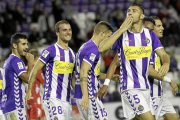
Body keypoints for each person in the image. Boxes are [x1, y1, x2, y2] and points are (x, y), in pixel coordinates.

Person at [96, 5, 170, 120]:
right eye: (128, 11)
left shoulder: (150, 35)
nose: (130, 13)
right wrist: (121, 29)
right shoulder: (122, 35)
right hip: (129, 88)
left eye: (134, 11)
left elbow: (164, 55)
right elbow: (101, 48)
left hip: (146, 88)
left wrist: (166, 63)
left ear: (142, 16)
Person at [25, 20, 76, 120]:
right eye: (64, 30)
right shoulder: (50, 50)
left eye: (69, 30)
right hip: (52, 98)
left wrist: (81, 94)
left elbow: (72, 79)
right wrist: (29, 91)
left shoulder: (72, 54)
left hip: (67, 100)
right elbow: (34, 71)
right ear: (57, 32)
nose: (68, 32)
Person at [74, 21, 119, 120]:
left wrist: (110, 77)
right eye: (108, 37)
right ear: (102, 33)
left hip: (82, 94)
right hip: (89, 95)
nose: (109, 41)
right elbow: (83, 71)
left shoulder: (85, 46)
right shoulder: (93, 49)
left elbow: (93, 74)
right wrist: (86, 95)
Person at [143, 16, 179, 120]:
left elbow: (165, 57)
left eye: (162, 25)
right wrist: (170, 81)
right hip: (150, 96)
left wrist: (166, 63)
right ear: (150, 28)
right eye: (159, 26)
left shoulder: (158, 46)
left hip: (160, 94)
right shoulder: (146, 46)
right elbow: (149, 71)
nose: (162, 28)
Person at [2, 33, 34, 119]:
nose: (26, 47)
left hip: (10, 106)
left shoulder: (9, 60)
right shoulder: (16, 61)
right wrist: (30, 62)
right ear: (15, 45)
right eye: (23, 44)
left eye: (27, 44)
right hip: (15, 106)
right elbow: (28, 79)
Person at [26, 49, 45, 120]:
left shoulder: (25, 68)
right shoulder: (37, 69)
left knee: (35, 117)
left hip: (27, 99)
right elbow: (44, 84)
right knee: (37, 118)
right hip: (35, 98)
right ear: (37, 57)